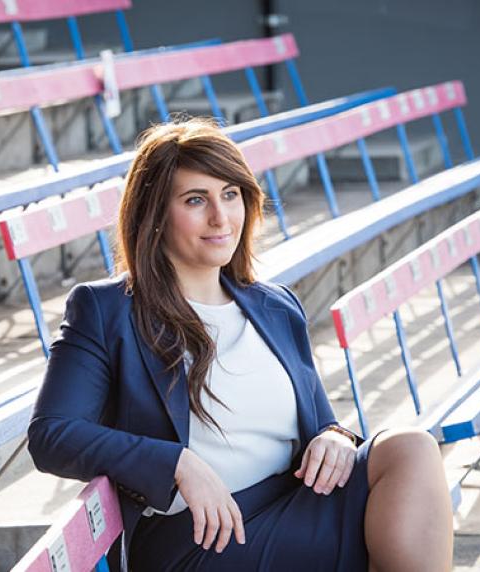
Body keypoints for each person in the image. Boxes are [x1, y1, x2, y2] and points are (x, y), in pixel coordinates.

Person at [27, 118, 453, 571]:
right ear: (154, 216)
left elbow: (322, 424)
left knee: (411, 449)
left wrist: (336, 437)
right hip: (205, 536)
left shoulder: (276, 306)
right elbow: (52, 434)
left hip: (296, 501)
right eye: (196, 200)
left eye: (230, 195)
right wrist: (176, 464)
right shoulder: (107, 310)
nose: (220, 216)